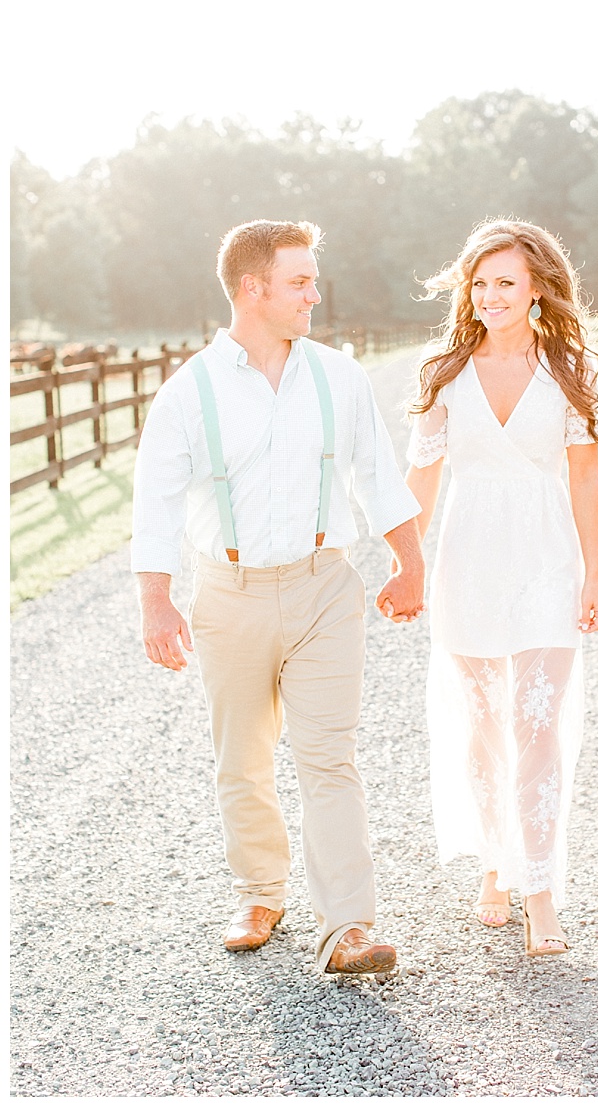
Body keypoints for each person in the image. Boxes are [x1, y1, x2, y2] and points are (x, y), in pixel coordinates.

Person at [133, 219, 425, 975]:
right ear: (251, 289)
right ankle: (261, 891)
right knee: (244, 757)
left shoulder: (339, 376)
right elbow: (156, 504)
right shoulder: (188, 392)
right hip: (228, 594)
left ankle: (348, 927)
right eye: (299, 282)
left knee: (331, 759)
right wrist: (156, 603)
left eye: (312, 279)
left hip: (326, 586)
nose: (315, 294)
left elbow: (376, 477)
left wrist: (409, 561)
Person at [404, 219, 598, 958]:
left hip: (547, 563)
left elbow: (586, 474)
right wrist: (408, 563)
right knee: (485, 730)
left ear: (537, 291)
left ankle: (541, 890)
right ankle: (495, 861)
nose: (490, 296)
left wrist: (594, 573)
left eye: (506, 283)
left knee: (538, 726)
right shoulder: (443, 371)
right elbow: (422, 476)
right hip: (468, 562)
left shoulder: (570, 369)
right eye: (480, 283)